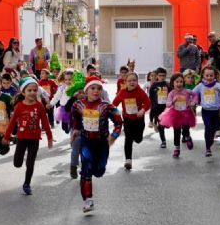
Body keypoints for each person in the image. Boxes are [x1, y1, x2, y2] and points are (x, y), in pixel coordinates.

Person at [71, 75, 123, 213]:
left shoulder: (106, 106)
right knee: (86, 169)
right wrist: (76, 129)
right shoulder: (78, 104)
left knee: (99, 171)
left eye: (99, 88)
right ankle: (88, 200)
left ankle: (91, 171)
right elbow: (74, 115)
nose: (96, 91)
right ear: (86, 90)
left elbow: (119, 122)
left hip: (102, 143)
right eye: (93, 88)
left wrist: (113, 136)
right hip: (86, 141)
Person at [3, 77, 53, 195]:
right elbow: (12, 122)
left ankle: (27, 184)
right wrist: (6, 136)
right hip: (21, 138)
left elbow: (45, 123)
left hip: (34, 139)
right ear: (23, 92)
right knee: (17, 163)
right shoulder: (19, 106)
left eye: (35, 90)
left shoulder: (40, 106)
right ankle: (20, 160)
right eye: (29, 90)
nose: (32, 93)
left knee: (30, 164)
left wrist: (50, 138)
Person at [112, 72, 151, 170]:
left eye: (134, 80)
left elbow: (147, 103)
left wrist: (142, 110)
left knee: (138, 139)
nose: (132, 82)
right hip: (127, 119)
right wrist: (111, 111)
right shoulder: (122, 92)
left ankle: (137, 137)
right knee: (128, 139)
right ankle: (128, 160)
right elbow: (114, 103)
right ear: (125, 82)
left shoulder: (140, 91)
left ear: (137, 82)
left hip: (139, 119)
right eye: (129, 81)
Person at [158, 72, 197, 158]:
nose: (179, 84)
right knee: (176, 132)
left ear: (183, 83)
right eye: (177, 82)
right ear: (173, 83)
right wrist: (173, 101)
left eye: (181, 82)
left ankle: (187, 137)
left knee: (186, 128)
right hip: (175, 114)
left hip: (186, 113)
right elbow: (167, 104)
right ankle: (177, 149)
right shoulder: (172, 93)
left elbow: (195, 95)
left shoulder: (187, 91)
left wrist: (193, 102)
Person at [192, 66, 220, 157]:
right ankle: (208, 148)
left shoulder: (217, 85)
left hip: (216, 111)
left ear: (214, 75)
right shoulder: (200, 86)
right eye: (207, 75)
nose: (209, 77)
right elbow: (192, 93)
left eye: (211, 75)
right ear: (203, 75)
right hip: (206, 111)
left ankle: (210, 140)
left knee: (212, 130)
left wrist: (219, 91)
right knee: (208, 128)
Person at [148, 67, 170, 148]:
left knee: (166, 125)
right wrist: (153, 105)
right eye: (160, 75)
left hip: (166, 109)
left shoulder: (167, 84)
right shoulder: (154, 85)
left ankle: (165, 125)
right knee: (161, 126)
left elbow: (171, 94)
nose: (162, 77)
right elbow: (151, 96)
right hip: (157, 108)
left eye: (164, 75)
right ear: (157, 76)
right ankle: (163, 141)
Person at [48, 69, 74, 134]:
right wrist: (51, 104)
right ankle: (67, 128)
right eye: (66, 80)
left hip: (73, 108)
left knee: (73, 122)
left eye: (70, 79)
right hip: (64, 108)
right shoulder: (62, 88)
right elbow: (57, 97)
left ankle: (72, 128)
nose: (68, 81)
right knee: (64, 127)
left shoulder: (75, 87)